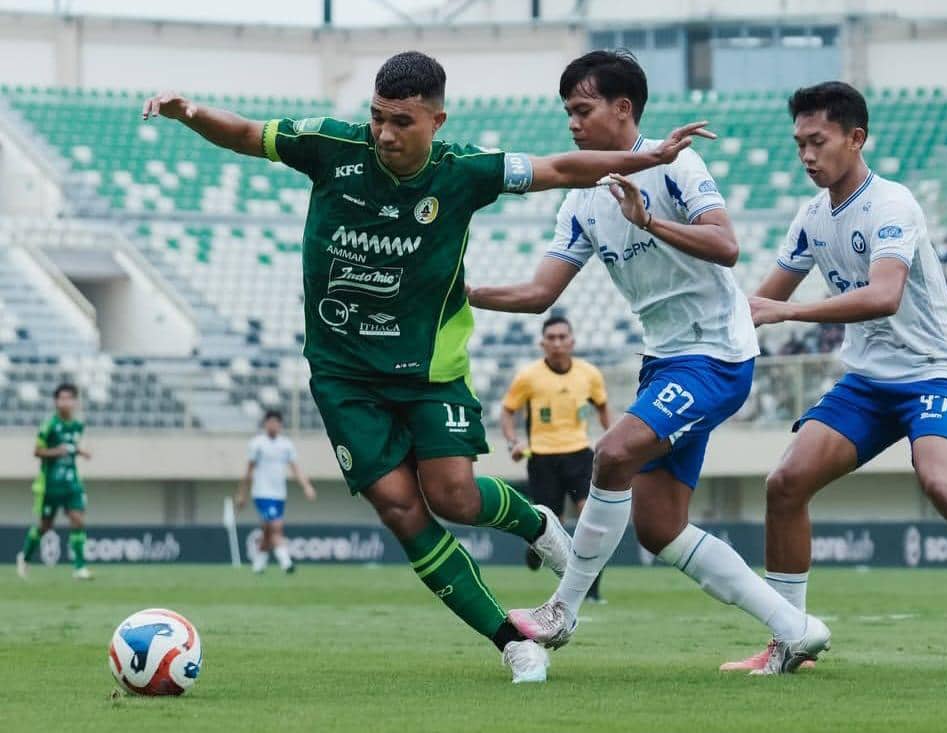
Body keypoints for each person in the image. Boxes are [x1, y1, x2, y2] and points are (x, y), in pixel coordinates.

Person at [143, 49, 712, 684]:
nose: (385, 133)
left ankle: (536, 523)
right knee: (399, 508)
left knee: (455, 498)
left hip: (428, 368)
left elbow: (558, 168)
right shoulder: (331, 146)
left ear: (436, 121)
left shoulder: (465, 170)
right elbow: (248, 134)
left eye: (402, 122)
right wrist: (188, 112)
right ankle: (510, 641)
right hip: (343, 372)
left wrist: (648, 158)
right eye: (378, 117)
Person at [469, 49, 830, 675]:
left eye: (582, 110)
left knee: (611, 455)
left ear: (623, 108)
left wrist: (651, 220)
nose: (573, 124)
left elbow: (727, 245)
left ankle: (563, 609)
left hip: (717, 355)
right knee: (660, 529)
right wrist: (461, 292)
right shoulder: (581, 197)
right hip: (664, 361)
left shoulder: (678, 164)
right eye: (568, 113)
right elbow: (538, 295)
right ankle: (795, 629)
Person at [723, 81, 947, 674]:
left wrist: (790, 311)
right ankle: (790, 640)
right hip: (868, 382)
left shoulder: (893, 205)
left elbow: (884, 295)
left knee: (941, 482)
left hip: (933, 372)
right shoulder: (809, 218)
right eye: (798, 143)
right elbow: (761, 302)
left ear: (856, 139)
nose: (805, 155)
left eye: (817, 141)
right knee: (785, 483)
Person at [502, 315, 611, 601]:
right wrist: (513, 442)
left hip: (580, 456)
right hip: (542, 459)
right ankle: (534, 548)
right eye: (551, 338)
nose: (558, 342)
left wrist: (612, 440)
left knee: (592, 522)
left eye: (563, 337)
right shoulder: (528, 376)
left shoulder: (589, 374)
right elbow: (507, 411)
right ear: (542, 343)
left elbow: (603, 409)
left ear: (572, 341)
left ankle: (592, 593)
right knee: (552, 528)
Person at [16, 383, 93, 580]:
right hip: (50, 484)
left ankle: (79, 567)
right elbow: (37, 451)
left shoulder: (78, 426)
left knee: (78, 519)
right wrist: (57, 451)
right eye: (61, 398)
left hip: (72, 482)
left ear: (75, 401)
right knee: (45, 526)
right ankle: (24, 557)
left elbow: (71, 447)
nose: (65, 402)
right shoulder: (49, 425)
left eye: (69, 398)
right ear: (56, 402)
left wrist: (81, 451)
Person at [235, 410, 317, 574]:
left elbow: (295, 469)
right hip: (262, 493)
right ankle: (286, 563)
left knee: (268, 531)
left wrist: (306, 486)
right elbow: (249, 470)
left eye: (276, 422)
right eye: (270, 422)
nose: (273, 425)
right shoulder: (257, 444)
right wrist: (242, 493)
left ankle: (258, 565)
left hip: (279, 494)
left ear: (280, 425)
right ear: (265, 424)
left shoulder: (286, 445)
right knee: (276, 527)